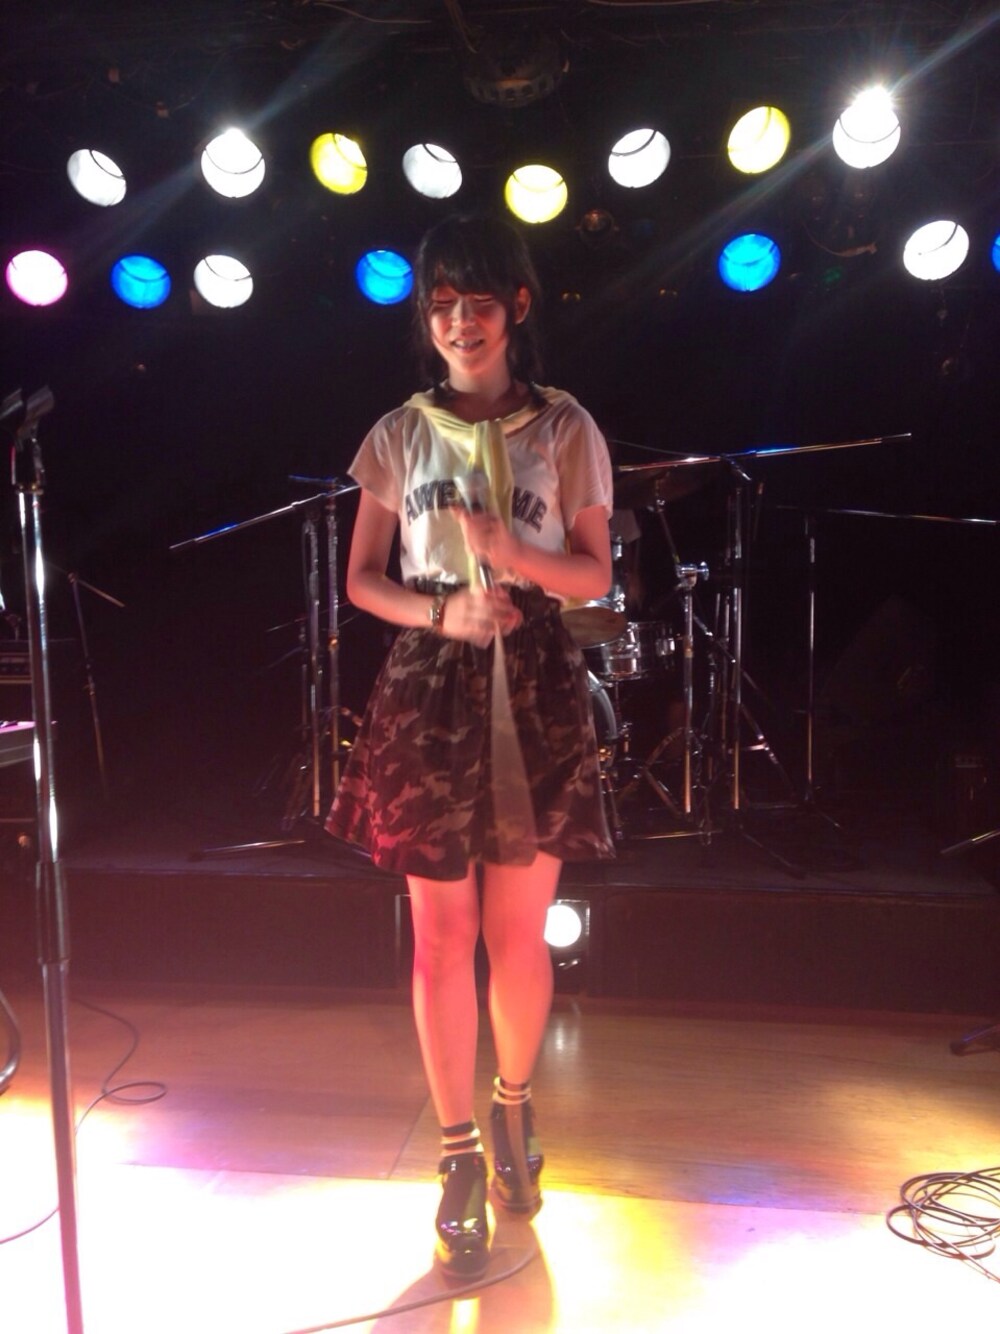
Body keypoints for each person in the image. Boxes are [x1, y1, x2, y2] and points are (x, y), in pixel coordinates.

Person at [325, 214, 615, 1278]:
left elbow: (595, 574)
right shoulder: (397, 433)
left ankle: (511, 1105)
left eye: (478, 303)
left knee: (516, 932)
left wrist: (512, 552)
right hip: (431, 682)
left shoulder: (566, 425)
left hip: (534, 678)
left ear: (516, 308)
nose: (459, 323)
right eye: (442, 305)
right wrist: (441, 611)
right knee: (440, 935)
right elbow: (361, 579)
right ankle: (455, 1156)